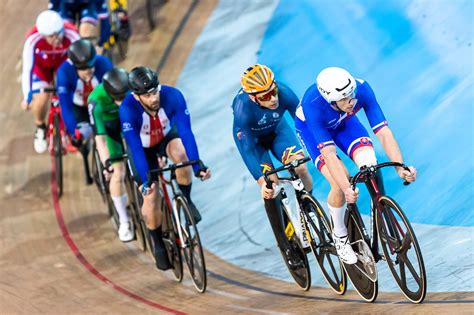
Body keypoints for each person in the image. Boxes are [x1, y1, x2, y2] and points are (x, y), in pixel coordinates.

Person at [295, 67, 417, 264]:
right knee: (338, 183)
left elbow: (384, 133)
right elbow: (329, 154)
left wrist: (400, 167)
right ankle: (340, 235)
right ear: (331, 100)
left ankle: (381, 210)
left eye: (351, 96)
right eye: (344, 99)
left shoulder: (362, 90)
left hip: (345, 124)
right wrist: (345, 187)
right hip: (312, 131)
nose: (351, 102)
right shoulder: (313, 107)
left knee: (369, 163)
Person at [119, 67, 211, 270]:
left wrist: (196, 164)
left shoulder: (172, 96)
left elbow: (186, 132)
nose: (154, 98)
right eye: (148, 95)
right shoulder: (127, 109)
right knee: (152, 196)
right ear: (136, 96)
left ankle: (186, 199)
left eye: (155, 91)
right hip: (143, 149)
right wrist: (145, 181)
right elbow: (134, 148)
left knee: (182, 156)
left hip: (166, 137)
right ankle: (157, 242)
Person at [232, 64, 312, 268]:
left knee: (301, 167)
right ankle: (284, 244)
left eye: (273, 91)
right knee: (272, 187)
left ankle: (308, 204)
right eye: (266, 96)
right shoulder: (243, 109)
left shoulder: (284, 93)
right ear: (253, 97)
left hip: (278, 134)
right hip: (255, 144)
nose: (273, 98)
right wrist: (262, 180)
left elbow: (304, 122)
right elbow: (248, 150)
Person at [21, 10, 80, 153]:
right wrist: (27, 96)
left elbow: (80, 62)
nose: (57, 38)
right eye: (51, 36)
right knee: (40, 99)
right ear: (42, 34)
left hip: (63, 65)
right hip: (41, 67)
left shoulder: (72, 34)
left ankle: (70, 127)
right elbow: (27, 69)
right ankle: (40, 127)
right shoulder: (32, 39)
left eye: (59, 33)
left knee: (72, 96)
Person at [88, 67, 133, 242]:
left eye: (124, 97)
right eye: (118, 99)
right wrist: (107, 162)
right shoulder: (96, 100)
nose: (121, 102)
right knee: (118, 172)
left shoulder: (131, 87)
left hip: (128, 121)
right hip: (109, 128)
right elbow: (100, 139)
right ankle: (124, 220)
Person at [56, 39, 113, 155]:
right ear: (74, 66)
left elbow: (115, 95)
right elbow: (65, 105)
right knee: (81, 135)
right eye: (82, 68)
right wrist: (74, 131)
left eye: (91, 66)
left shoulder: (104, 64)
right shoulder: (64, 72)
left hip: (101, 106)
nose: (88, 71)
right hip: (80, 108)